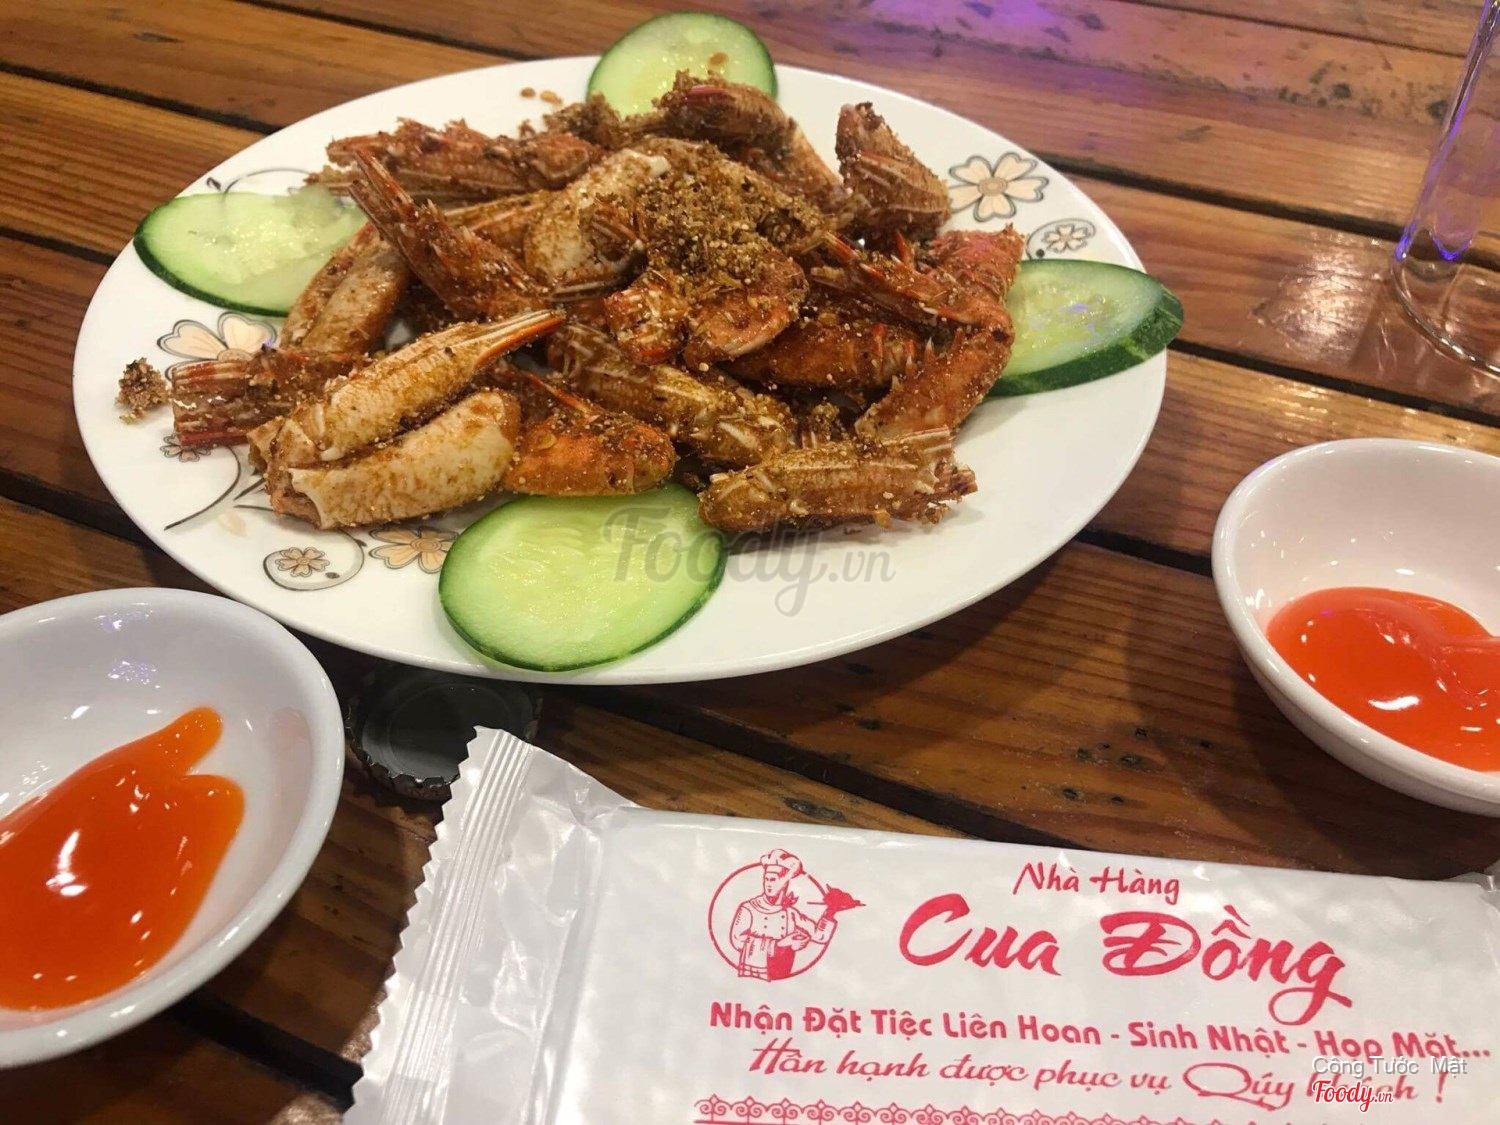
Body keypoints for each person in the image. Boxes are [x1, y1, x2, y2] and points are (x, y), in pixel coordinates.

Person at [728, 849, 838, 980]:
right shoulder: (749, 908)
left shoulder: (790, 913)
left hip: (784, 978)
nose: (768, 884)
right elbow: (737, 941)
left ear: (785, 882)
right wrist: (780, 945)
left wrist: (831, 910)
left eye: (773, 879)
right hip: (753, 979)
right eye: (766, 879)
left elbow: (819, 936)